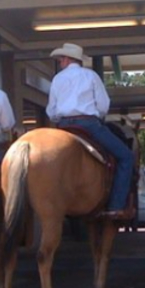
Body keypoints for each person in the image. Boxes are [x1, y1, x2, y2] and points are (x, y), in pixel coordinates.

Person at [46, 42, 134, 219]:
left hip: (63, 127)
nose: (60, 62)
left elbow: (51, 111)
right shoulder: (91, 76)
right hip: (88, 125)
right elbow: (103, 106)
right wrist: (96, 115)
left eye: (60, 59)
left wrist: (60, 118)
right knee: (126, 157)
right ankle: (115, 206)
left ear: (66, 59)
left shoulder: (57, 79)